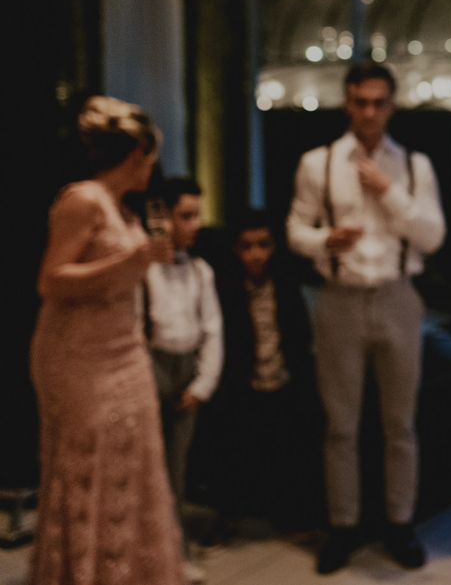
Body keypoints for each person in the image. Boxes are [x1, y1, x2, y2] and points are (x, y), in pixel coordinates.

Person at [287, 61, 446, 574]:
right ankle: (343, 526)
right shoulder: (318, 163)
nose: (370, 111)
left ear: (392, 106)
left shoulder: (415, 166)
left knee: (400, 423)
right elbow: (294, 229)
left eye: (379, 102)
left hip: (399, 296)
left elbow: (433, 236)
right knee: (341, 424)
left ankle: (400, 524)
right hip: (339, 298)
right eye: (361, 101)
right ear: (347, 103)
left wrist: (387, 190)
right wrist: (322, 240)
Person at [30, 95, 185, 585]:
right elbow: (51, 280)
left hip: (125, 352)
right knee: (87, 469)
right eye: (153, 157)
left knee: (135, 465)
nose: (153, 170)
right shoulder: (83, 200)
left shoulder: (122, 208)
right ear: (138, 152)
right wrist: (132, 261)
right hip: (78, 357)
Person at [205, 209, 324, 542]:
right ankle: (229, 514)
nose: (256, 254)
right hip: (241, 382)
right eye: (247, 246)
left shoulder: (285, 283)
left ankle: (286, 512)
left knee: (286, 451)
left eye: (263, 245)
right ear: (234, 249)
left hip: (282, 379)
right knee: (234, 451)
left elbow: (300, 337)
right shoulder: (225, 286)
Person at [144, 177, 224, 581]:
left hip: (186, 372)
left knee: (176, 471)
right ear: (163, 218)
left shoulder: (200, 271)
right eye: (186, 216)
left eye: (196, 215)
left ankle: (176, 552)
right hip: (150, 369)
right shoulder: (144, 270)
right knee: (146, 471)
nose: (195, 224)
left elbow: (212, 330)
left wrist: (202, 385)